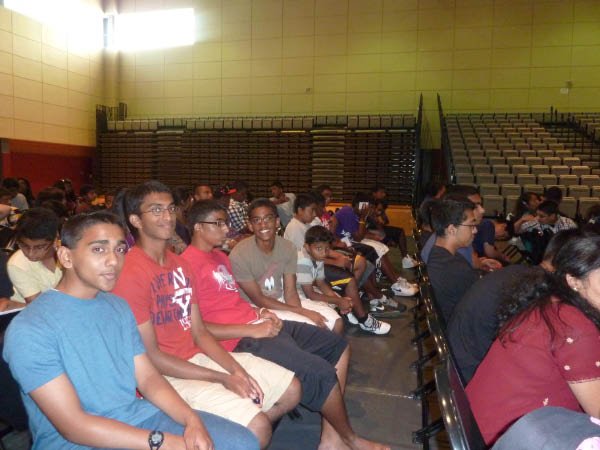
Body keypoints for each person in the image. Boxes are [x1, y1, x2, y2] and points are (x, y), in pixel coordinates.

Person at [2, 211, 259, 450]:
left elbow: (148, 379)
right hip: (78, 442)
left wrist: (191, 419)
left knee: (242, 441)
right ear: (66, 257)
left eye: (120, 249)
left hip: (137, 416)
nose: (114, 260)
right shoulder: (30, 329)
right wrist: (164, 443)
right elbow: (74, 427)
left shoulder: (117, 306)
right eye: (99, 249)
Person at [181, 199, 391, 450]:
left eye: (225, 222)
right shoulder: (186, 267)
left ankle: (330, 439)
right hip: (239, 339)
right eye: (219, 223)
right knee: (318, 372)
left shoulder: (219, 258)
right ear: (198, 227)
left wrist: (260, 312)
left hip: (257, 322)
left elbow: (234, 301)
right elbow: (196, 328)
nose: (227, 229)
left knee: (337, 346)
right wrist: (252, 329)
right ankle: (350, 439)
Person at [112, 181, 300, 449]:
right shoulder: (130, 272)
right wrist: (223, 378)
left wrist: (236, 371)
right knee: (257, 427)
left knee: (291, 390)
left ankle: (229, 436)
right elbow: (152, 357)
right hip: (164, 375)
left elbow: (199, 332)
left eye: (171, 208)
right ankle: (240, 434)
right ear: (135, 220)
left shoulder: (180, 264)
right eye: (156, 210)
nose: (167, 216)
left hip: (197, 357)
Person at [466, 228, 600, 446]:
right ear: (574, 280)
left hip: (476, 423)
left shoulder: (552, 302)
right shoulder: (573, 325)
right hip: (501, 439)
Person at [229, 198, 342, 331]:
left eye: (268, 218)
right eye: (257, 220)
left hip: (281, 299)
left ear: (277, 221)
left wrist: (300, 312)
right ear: (250, 225)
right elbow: (259, 299)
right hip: (256, 308)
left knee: (335, 322)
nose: (263, 225)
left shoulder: (288, 247)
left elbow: (290, 291)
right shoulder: (239, 254)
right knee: (311, 328)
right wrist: (302, 313)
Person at [298, 225, 391, 335]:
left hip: (307, 290)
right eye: (319, 248)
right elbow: (310, 294)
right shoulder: (303, 261)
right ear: (307, 247)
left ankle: (356, 316)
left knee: (340, 298)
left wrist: (338, 300)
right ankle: (363, 320)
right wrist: (338, 301)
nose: (323, 253)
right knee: (336, 319)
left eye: (327, 249)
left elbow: (321, 283)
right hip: (297, 297)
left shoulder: (317, 257)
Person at [330, 192, 418, 298]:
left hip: (350, 240)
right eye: (369, 207)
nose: (370, 210)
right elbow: (358, 237)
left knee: (381, 247)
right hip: (343, 242)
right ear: (360, 205)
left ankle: (396, 279)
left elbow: (362, 234)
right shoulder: (348, 212)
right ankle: (395, 284)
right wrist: (363, 218)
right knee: (376, 249)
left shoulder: (357, 214)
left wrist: (369, 229)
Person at [427, 198, 481, 324]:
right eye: (471, 225)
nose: (475, 230)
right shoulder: (454, 267)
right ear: (452, 229)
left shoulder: (439, 254)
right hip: (462, 326)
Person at [8, 208, 63, 304]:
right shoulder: (17, 264)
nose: (30, 253)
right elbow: (37, 305)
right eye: (24, 245)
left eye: (39, 247)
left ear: (55, 239)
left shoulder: (69, 253)